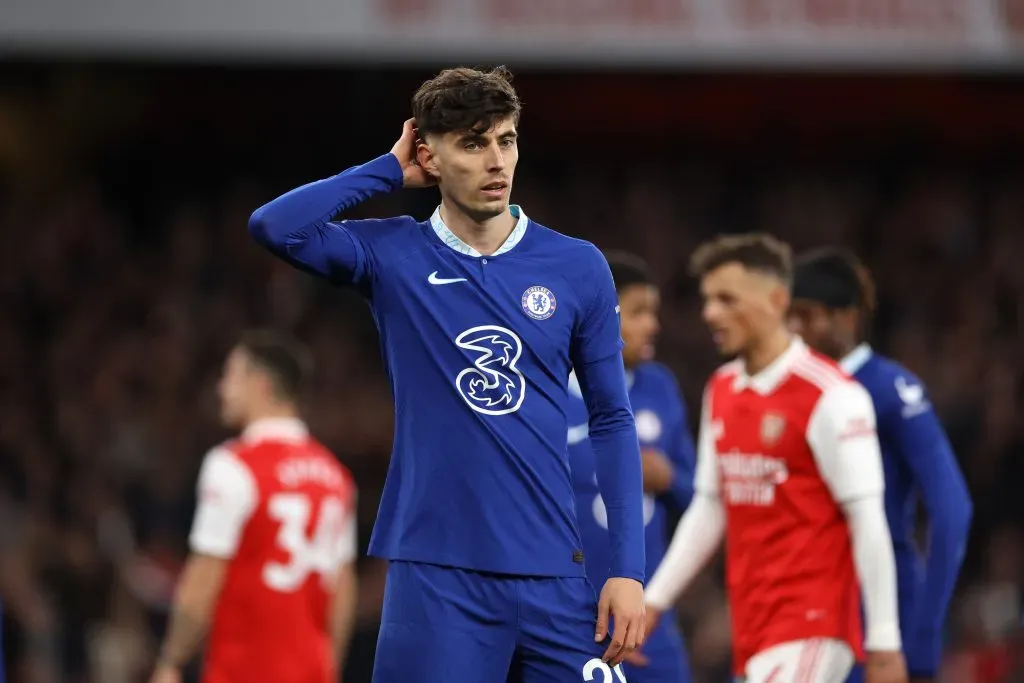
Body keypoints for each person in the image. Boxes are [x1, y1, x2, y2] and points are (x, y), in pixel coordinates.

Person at [248, 65, 646, 683]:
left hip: (555, 575)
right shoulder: (392, 254)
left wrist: (627, 568)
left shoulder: (577, 266)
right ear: (430, 157)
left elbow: (612, 419)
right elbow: (276, 226)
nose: (496, 161)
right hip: (436, 578)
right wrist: (386, 170)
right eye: (473, 142)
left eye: (506, 140)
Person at [643, 233, 909, 683]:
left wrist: (884, 643)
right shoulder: (722, 388)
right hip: (754, 628)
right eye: (708, 300)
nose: (710, 313)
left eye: (727, 299)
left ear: (777, 299)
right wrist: (653, 603)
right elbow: (710, 507)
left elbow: (868, 520)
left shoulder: (833, 395)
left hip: (813, 626)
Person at [787, 247, 973, 683]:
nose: (795, 330)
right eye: (788, 317)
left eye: (807, 315)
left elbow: (952, 511)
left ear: (847, 318)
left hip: (878, 620)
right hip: (797, 615)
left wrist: (924, 636)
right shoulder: (786, 392)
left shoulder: (890, 390)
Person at [150, 331, 359, 683]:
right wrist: (327, 666)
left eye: (230, 376)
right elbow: (343, 588)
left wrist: (170, 661)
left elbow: (204, 577)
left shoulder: (233, 465)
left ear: (260, 384)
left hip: (243, 671)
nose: (221, 389)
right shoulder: (335, 477)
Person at [566, 251, 695, 683]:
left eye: (654, 313)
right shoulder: (548, 388)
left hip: (647, 617)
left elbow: (702, 497)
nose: (653, 325)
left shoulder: (660, 386)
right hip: (569, 614)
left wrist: (671, 478)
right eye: (638, 312)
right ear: (601, 311)